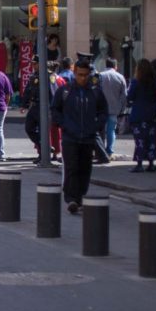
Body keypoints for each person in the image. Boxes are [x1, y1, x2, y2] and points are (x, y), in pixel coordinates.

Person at [51, 58, 107, 214]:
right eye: (80, 74)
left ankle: (80, 197)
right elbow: (55, 110)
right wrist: (64, 125)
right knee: (71, 168)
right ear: (75, 73)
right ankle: (71, 199)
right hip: (70, 137)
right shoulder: (65, 91)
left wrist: (96, 126)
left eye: (85, 75)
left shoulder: (95, 91)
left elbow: (103, 112)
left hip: (88, 137)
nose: (83, 78)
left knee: (85, 169)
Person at [127, 58, 156, 173]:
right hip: (152, 114)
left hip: (138, 114)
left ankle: (139, 164)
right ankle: (151, 163)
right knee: (151, 139)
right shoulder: (155, 81)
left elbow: (130, 96)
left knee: (140, 140)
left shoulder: (136, 81)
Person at [98, 57, 128, 159]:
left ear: (106, 65)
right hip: (114, 108)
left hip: (100, 108)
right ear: (115, 66)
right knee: (111, 130)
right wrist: (123, 109)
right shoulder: (120, 77)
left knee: (100, 130)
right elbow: (124, 95)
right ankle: (109, 150)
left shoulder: (100, 76)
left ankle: (100, 150)